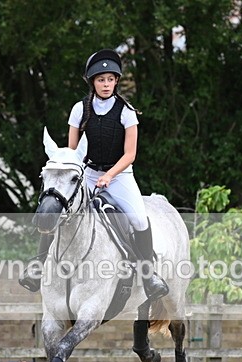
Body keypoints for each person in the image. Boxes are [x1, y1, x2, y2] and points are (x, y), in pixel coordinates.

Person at [19, 48, 168, 301]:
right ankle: (37, 266)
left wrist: (109, 175)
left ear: (116, 81)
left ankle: (149, 275)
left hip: (120, 175)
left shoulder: (126, 111)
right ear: (93, 82)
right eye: (101, 80)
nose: (106, 84)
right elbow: (72, 151)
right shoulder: (80, 109)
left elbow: (130, 154)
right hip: (86, 174)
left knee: (139, 219)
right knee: (59, 211)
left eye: (110, 79)